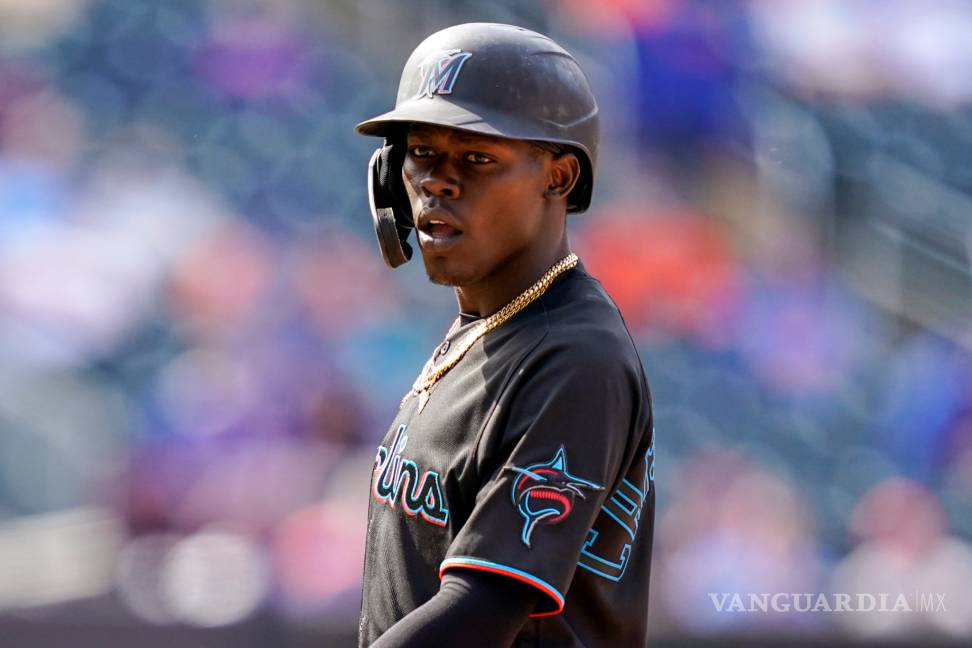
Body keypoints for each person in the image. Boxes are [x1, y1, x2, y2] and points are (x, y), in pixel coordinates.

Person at [354, 22, 655, 647]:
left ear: (558, 178)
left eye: (477, 158)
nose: (437, 181)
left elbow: (484, 607)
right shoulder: (490, 327)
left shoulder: (576, 358)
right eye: (421, 153)